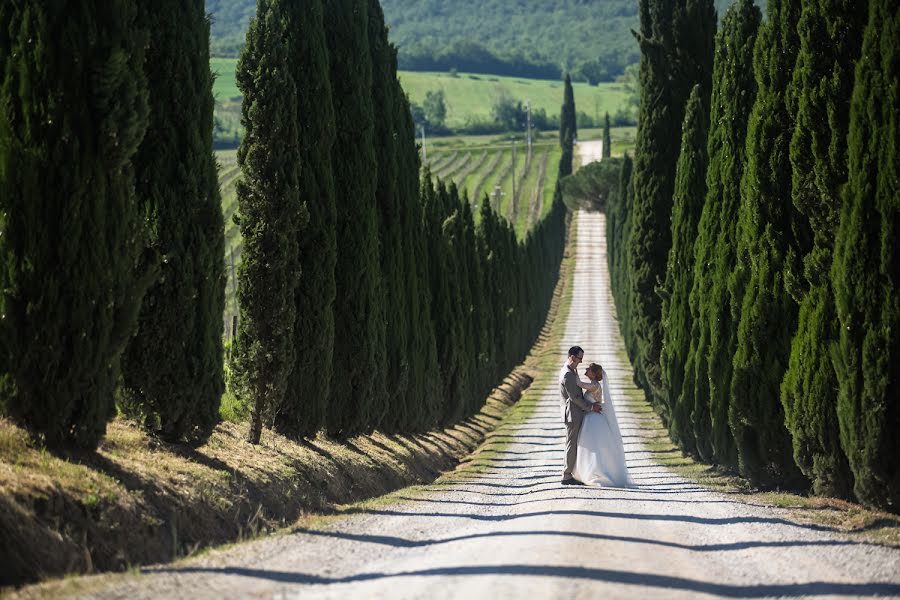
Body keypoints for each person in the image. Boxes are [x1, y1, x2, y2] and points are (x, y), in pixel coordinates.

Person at [572, 362, 635, 487]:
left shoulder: (595, 385)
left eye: (588, 369)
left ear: (594, 374)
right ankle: (588, 471)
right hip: (590, 417)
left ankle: (596, 472)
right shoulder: (594, 384)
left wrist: (573, 370)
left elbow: (579, 383)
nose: (586, 369)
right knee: (590, 446)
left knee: (594, 446)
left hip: (594, 420)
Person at [559, 346, 602, 485]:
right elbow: (575, 398)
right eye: (579, 358)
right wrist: (590, 407)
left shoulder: (572, 370)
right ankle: (566, 475)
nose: (581, 362)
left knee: (576, 444)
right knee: (571, 444)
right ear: (572, 356)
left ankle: (574, 472)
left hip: (576, 413)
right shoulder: (568, 374)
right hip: (573, 414)